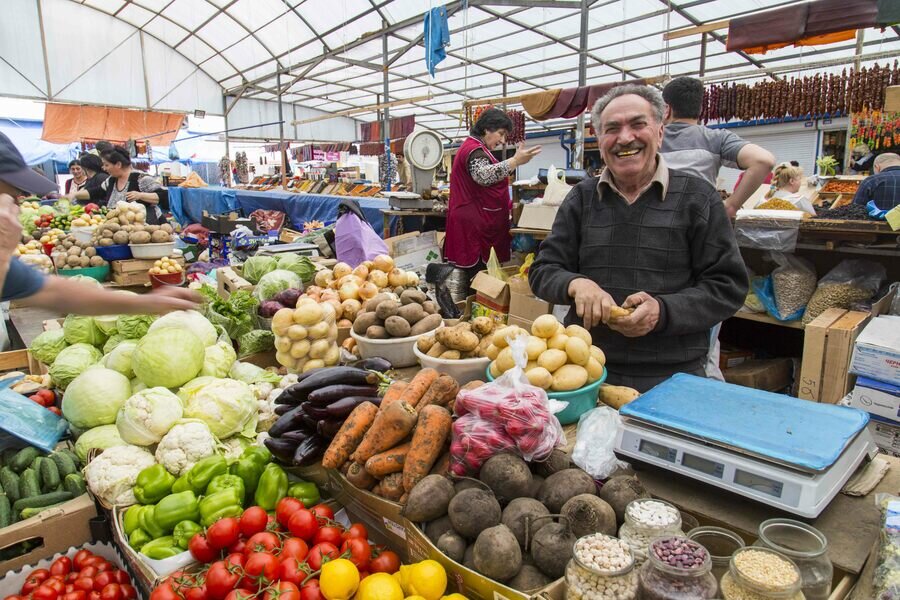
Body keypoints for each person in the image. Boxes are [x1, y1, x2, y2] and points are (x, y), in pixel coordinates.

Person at [529, 85, 748, 393]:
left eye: (638, 124)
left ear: (660, 132)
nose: (625, 138)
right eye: (612, 129)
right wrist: (576, 284)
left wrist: (663, 310)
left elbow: (728, 287)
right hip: (585, 372)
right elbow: (543, 270)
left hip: (674, 375)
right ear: (600, 140)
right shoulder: (582, 197)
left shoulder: (698, 198)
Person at [0, 133, 198, 336]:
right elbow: (93, 193)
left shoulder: (140, 178)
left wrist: (147, 302)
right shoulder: (110, 182)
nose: (16, 208)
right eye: (9, 197)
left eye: (16, 199)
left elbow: (55, 292)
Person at [445, 108, 541, 285]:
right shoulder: (473, 150)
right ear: (487, 129)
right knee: (475, 278)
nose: (503, 140)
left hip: (477, 220)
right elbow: (483, 175)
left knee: (479, 277)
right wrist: (515, 161)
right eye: (501, 133)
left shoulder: (477, 148)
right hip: (474, 225)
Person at [660, 77, 775, 218]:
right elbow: (763, 160)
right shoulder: (716, 138)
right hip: (699, 223)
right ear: (700, 108)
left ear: (667, 109)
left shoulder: (650, 138)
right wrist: (732, 206)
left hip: (654, 225)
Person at [69, 145, 167, 224]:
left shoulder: (141, 178)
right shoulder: (111, 180)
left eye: (106, 165)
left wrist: (140, 195)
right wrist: (73, 195)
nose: (104, 168)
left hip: (148, 228)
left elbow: (163, 196)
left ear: (118, 164)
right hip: (121, 229)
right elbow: (96, 192)